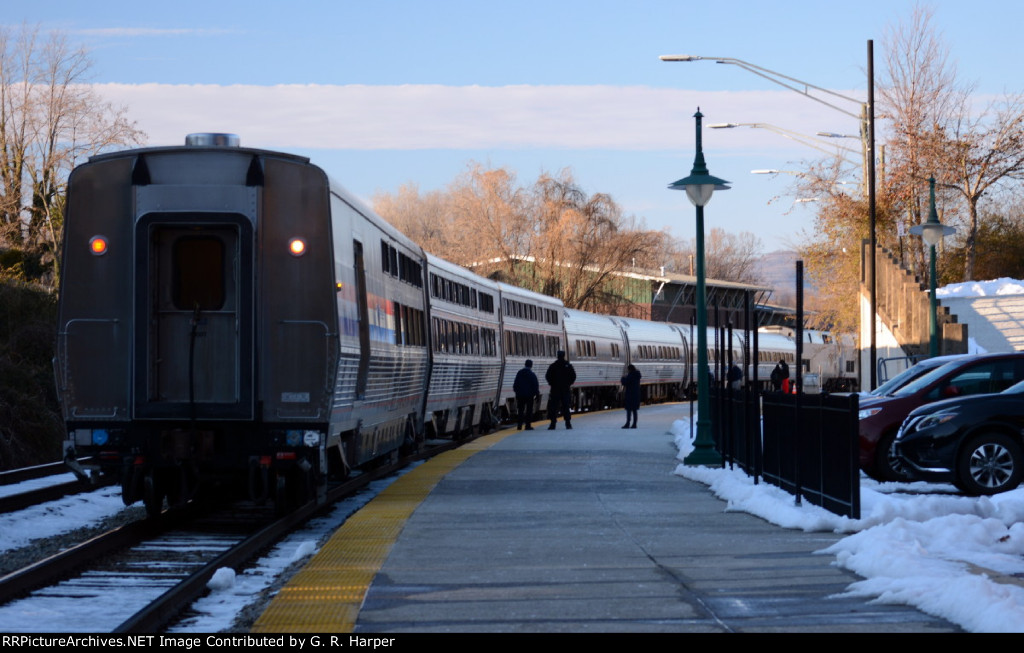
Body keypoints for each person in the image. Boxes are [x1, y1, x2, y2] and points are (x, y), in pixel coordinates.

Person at [545, 350, 576, 430]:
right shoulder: (568, 365)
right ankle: (568, 424)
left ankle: (553, 424)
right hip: (565, 389)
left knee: (554, 407)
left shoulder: (553, 366)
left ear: (557, 356)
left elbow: (547, 376)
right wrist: (569, 383)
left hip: (555, 390)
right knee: (566, 407)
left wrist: (551, 383)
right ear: (564, 355)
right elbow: (573, 376)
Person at [512, 359, 540, 430]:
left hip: (520, 395)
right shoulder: (532, 374)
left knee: (520, 410)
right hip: (529, 396)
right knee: (529, 411)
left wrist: (517, 392)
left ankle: (519, 426)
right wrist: (537, 395)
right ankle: (528, 426)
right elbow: (535, 385)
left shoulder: (519, 373)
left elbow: (515, 384)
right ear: (531, 365)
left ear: (525, 364)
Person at [620, 364, 642, 429]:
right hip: (636, 394)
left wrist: (622, 378)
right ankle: (634, 424)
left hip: (630, 395)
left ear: (630, 369)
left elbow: (625, 382)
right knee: (635, 411)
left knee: (629, 410)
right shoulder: (637, 375)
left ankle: (628, 423)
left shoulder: (631, 375)